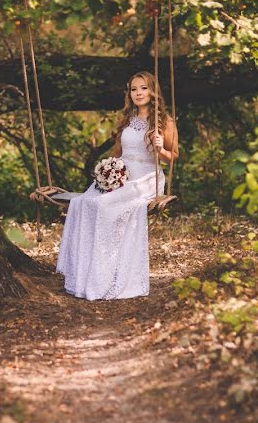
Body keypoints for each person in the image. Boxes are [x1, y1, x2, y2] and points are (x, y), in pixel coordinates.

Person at [56, 71, 179, 300]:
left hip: (146, 177)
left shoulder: (165, 121)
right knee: (84, 202)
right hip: (122, 173)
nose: (139, 93)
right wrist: (109, 170)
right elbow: (120, 151)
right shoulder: (127, 119)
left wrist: (161, 148)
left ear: (152, 91)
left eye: (143, 88)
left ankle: (109, 275)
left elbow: (172, 157)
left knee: (104, 206)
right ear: (129, 93)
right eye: (134, 89)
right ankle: (85, 275)